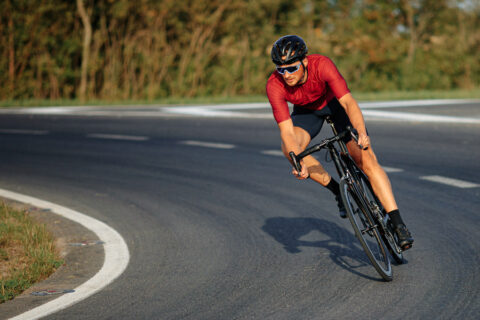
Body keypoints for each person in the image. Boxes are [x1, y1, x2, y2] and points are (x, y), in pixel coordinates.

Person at [266, 35, 414, 250]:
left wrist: (361, 132)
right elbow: (287, 132)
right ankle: (338, 191)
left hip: (336, 107)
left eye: (291, 68)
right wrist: (296, 162)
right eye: (281, 69)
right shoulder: (274, 85)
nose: (286, 74)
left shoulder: (322, 65)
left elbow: (348, 102)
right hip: (307, 114)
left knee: (366, 159)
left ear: (304, 61)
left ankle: (398, 224)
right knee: (289, 150)